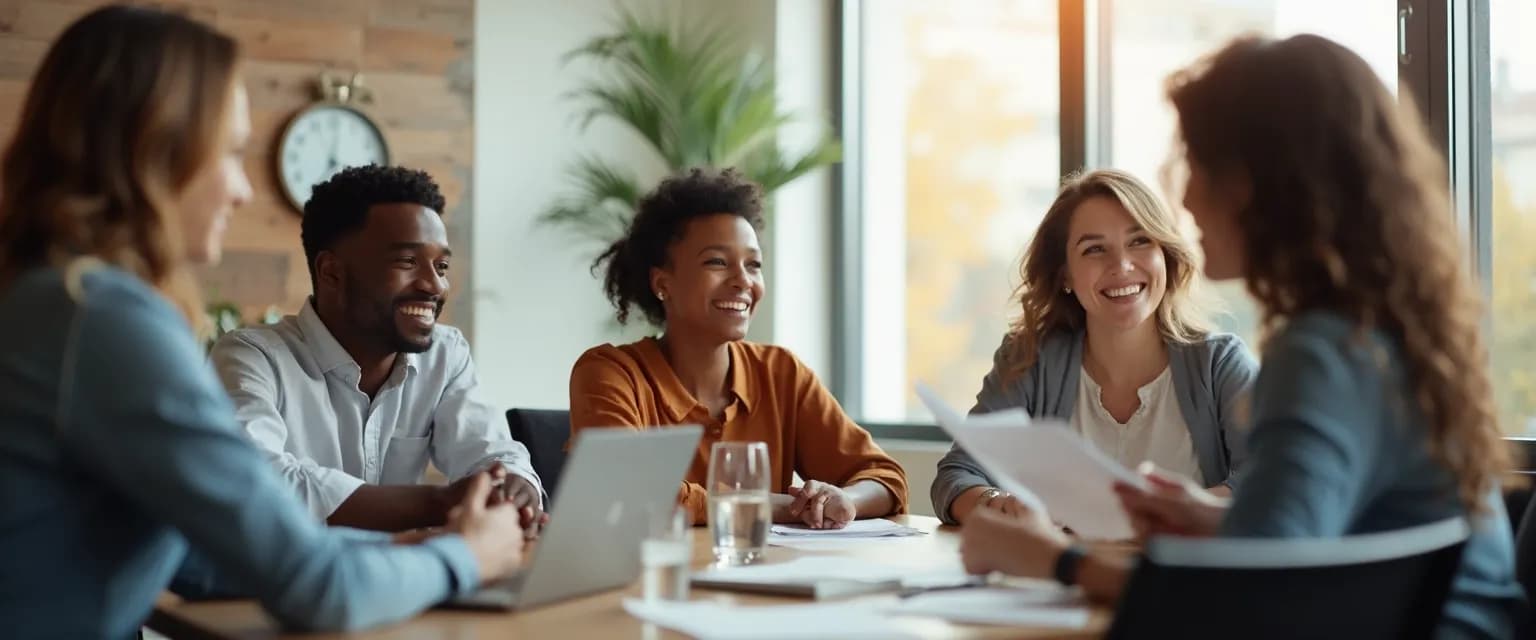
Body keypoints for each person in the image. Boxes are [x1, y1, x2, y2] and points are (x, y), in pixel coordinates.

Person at [957, 34, 1524, 639]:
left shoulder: (1319, 352)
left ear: (1261, 181)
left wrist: (1054, 560)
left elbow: (1254, 594)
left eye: (1199, 167)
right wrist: (1208, 517)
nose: (1188, 200)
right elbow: (1309, 545)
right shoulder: (1378, 328)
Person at [0, 6, 523, 637]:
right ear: (156, 151)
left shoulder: (52, 300)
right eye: (230, 153)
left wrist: (416, 552)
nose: (243, 190)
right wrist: (467, 555)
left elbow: (204, 556)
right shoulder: (103, 319)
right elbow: (316, 591)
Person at [211, 165, 545, 533]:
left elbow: (492, 452)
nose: (435, 285)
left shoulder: (444, 356)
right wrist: (442, 502)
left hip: (412, 577)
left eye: (441, 265)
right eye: (407, 262)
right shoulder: (251, 357)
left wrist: (514, 487)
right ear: (332, 272)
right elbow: (256, 480)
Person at [568, 168, 907, 528]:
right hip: (654, 581)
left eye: (754, 264)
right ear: (662, 283)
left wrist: (843, 499)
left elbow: (885, 478)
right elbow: (632, 494)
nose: (743, 281)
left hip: (763, 580)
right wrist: (778, 506)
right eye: (716, 262)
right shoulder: (609, 373)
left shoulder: (781, 372)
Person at [932, 169, 1256, 525]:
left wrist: (1167, 514)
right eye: (1094, 249)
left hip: (1182, 577)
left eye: (1140, 241)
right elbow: (957, 475)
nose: (1121, 265)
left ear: (1166, 254)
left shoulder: (1220, 364)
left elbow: (1265, 487)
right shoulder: (1029, 359)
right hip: (1056, 575)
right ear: (1065, 275)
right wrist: (999, 504)